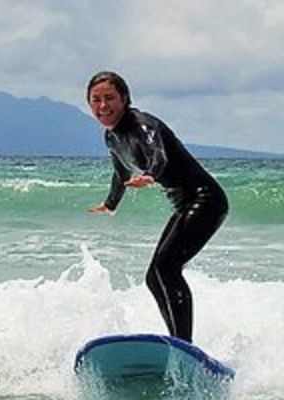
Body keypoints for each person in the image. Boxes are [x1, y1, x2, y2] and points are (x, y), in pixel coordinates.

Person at [86, 71, 228, 343]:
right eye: (96, 100)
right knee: (155, 276)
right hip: (186, 205)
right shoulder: (112, 137)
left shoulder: (142, 124)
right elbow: (121, 173)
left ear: (124, 98)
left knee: (166, 268)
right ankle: (179, 342)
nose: (103, 106)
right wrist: (110, 203)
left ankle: (183, 345)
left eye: (109, 98)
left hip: (206, 199)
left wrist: (151, 174)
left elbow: (158, 154)